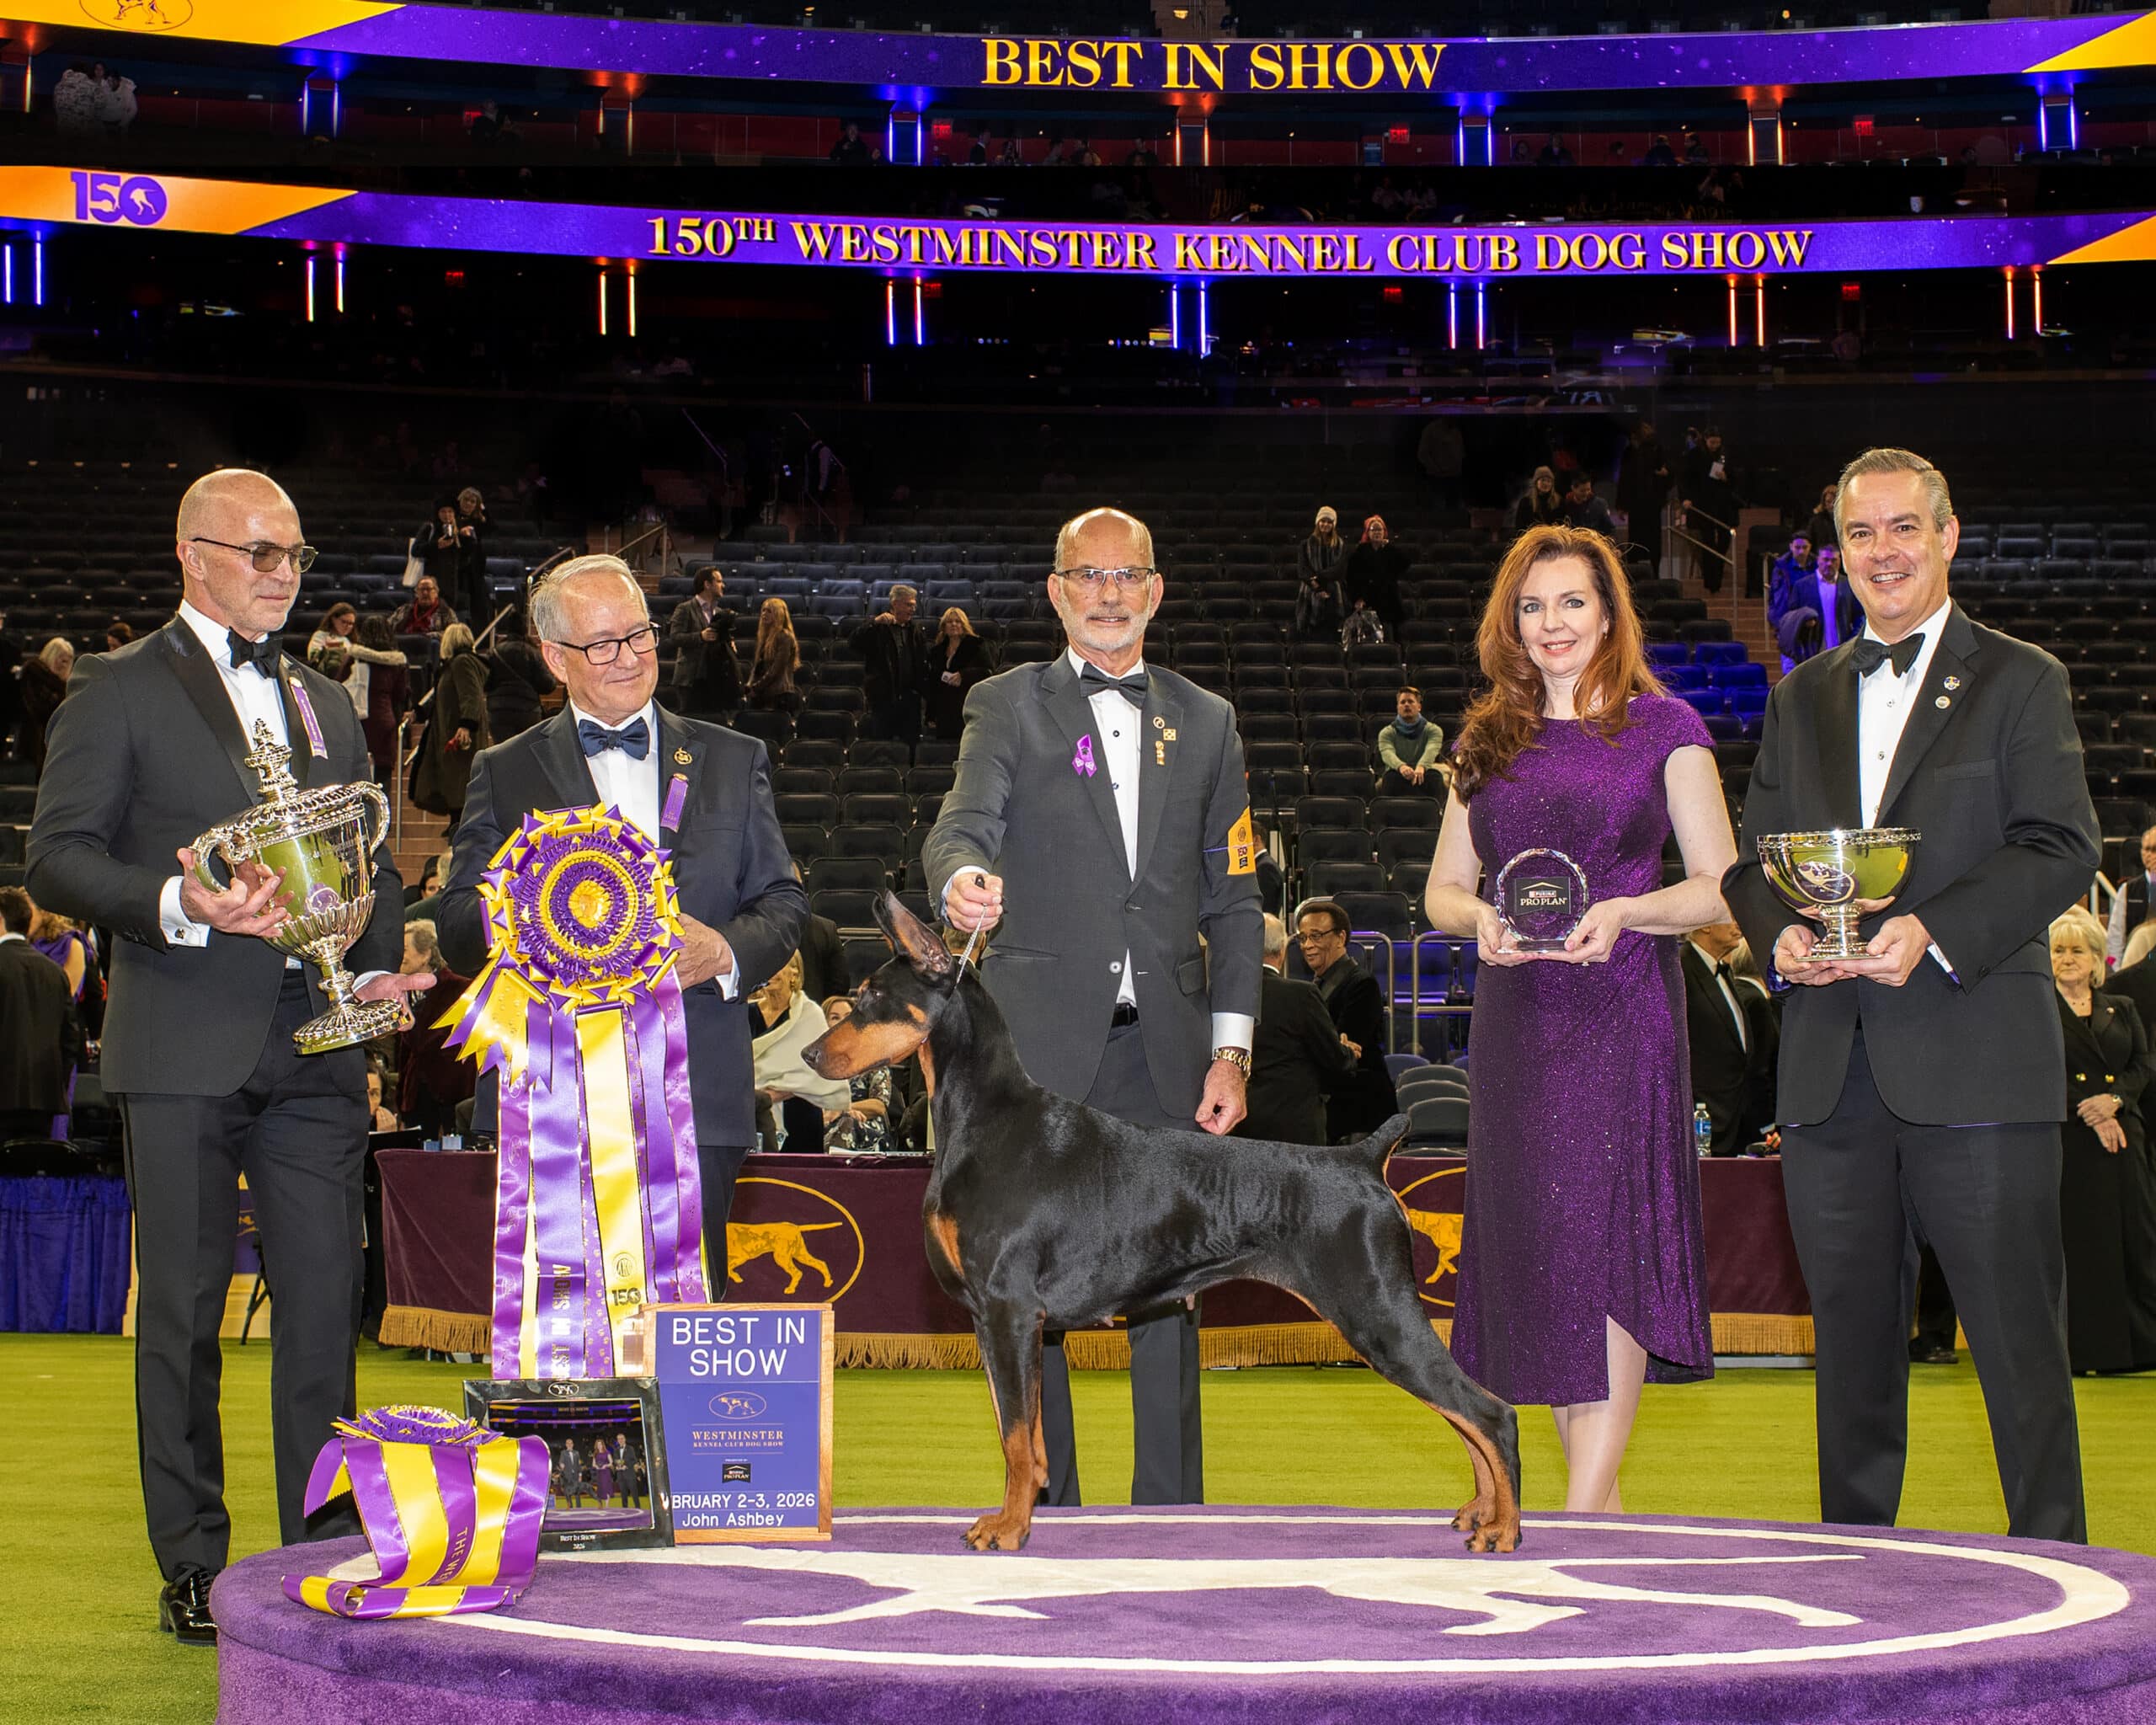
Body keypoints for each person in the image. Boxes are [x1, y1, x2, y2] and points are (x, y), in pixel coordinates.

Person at [24, 468, 430, 1646]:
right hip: (184, 1043)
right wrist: (184, 903)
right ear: (191, 554)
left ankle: (321, 1556)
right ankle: (195, 1565)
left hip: (319, 1055)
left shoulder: (324, 698)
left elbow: (371, 858)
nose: (280, 575)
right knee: (186, 1320)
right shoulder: (114, 691)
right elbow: (58, 861)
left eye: (293, 555)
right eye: (258, 553)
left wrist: (369, 941)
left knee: (320, 1317)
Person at [1722, 446, 2100, 1544]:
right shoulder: (1801, 697)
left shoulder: (2022, 680)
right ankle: (1857, 1585)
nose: (1881, 552)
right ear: (1837, 552)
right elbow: (1756, 861)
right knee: (1848, 1364)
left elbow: (2060, 846)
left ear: (1948, 536)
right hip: (1832, 1076)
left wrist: (1931, 933)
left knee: (2021, 1355)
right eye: (1859, 534)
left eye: (1902, 529)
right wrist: (1779, 939)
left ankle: (2064, 1595)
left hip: (1979, 1063)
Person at [926, 504, 1263, 1509]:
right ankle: (1050, 1505)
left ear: (1155, 591)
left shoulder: (1208, 721)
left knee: (1170, 1295)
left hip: (1166, 1054)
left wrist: (1231, 1054)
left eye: (1128, 577)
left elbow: (1236, 898)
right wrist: (960, 880)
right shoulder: (1003, 703)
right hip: (1031, 1064)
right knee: (1025, 1300)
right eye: (1089, 575)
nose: (1109, 593)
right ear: (1057, 591)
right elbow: (962, 825)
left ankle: (1170, 1513)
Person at [1423, 521, 1733, 1513]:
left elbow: (1718, 888)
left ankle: (1586, 1515)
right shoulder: (1482, 739)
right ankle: (1582, 1504)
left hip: (1623, 1010)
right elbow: (1443, 888)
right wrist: (1480, 922)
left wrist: (1630, 911)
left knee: (1606, 1244)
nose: (1551, 623)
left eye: (1571, 602)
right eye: (1531, 605)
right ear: (1508, 621)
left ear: (1608, 613)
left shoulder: (1668, 727)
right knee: (1543, 1254)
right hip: (1516, 1019)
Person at [439, 555, 807, 1251]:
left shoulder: (735, 757)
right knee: (557, 1336)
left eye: (639, 635)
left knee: (689, 1322)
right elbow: (457, 925)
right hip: (550, 1097)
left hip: (699, 1090)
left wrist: (723, 953)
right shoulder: (503, 769)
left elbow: (784, 901)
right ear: (554, 656)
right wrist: (528, 913)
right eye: (601, 643)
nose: (629, 658)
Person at [2047, 908, 2156, 1375]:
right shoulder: (2037, 1012)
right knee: (2081, 1245)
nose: (2068, 959)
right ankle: (2082, 1351)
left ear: (2097, 959)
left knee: (2135, 1237)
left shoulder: (2122, 1008)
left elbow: (2143, 1065)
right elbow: (2035, 1071)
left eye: (2078, 951)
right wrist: (2086, 1107)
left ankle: (2137, 1349)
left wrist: (2112, 1100)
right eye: (2058, 950)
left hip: (2123, 1138)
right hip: (2069, 1144)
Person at [1236, 914, 1358, 1146]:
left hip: (1238, 1124)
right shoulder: (1301, 995)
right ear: (1282, 950)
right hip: (1294, 1128)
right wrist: (1347, 1052)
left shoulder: (1220, 997)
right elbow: (1334, 1059)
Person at [1294, 899, 1398, 1140]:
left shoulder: (1362, 984)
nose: (1308, 945)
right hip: (1331, 1111)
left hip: (1361, 1113)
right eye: (1303, 938)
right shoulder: (1315, 986)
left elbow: (1347, 1049)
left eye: (1317, 936)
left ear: (1341, 938)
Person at [0, 887, 81, 1142]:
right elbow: (70, 1040)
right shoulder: (54, 972)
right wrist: (55, 1084)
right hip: (44, 1101)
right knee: (32, 1176)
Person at [749, 953, 848, 1153]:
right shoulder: (746, 1013)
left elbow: (819, 1072)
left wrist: (775, 1094)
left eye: (777, 965)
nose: (770, 972)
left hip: (799, 1114)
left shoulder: (810, 1016)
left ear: (794, 972)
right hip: (752, 1114)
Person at [1683, 918, 1764, 1157]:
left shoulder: (1722, 971)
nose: (1739, 924)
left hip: (1737, 1121)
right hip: (1704, 1121)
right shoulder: (1681, 967)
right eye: (1730, 918)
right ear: (1705, 925)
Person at [394, 920, 472, 1134]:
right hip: (416, 1097)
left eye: (404, 950)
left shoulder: (459, 987)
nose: (400, 956)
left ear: (426, 954)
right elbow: (405, 1051)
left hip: (452, 1094)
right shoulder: (400, 992)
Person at [410, 622, 489, 828]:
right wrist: (419, 711)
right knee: (455, 790)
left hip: (460, 738)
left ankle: (458, 833)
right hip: (453, 735)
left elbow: (470, 695)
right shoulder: (458, 664)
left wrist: (466, 725)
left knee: (459, 790)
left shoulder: (462, 663)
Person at [852, 584, 930, 748]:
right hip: (883, 699)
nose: (913, 609)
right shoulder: (877, 627)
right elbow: (854, 643)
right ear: (895, 604)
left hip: (910, 699)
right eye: (909, 604)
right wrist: (874, 623)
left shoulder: (915, 630)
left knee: (912, 745)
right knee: (883, 746)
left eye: (914, 605)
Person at [817, 994, 895, 1151]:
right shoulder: (815, 1064)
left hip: (865, 1126)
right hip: (824, 1124)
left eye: (848, 1016)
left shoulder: (873, 1060)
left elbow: (879, 1106)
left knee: (847, 1122)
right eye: (834, 1017)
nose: (843, 1022)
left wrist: (843, 1110)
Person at [667, 568, 740, 720]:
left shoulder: (719, 612)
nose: (723, 585)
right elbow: (675, 637)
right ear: (707, 584)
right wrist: (700, 636)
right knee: (689, 723)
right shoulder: (685, 608)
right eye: (719, 581)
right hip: (690, 679)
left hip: (713, 679)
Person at [483, 606, 555, 743]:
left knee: (501, 754)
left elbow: (486, 682)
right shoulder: (532, 652)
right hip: (528, 711)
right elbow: (548, 685)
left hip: (498, 711)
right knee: (527, 755)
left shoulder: (495, 652)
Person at [1679, 427, 1737, 594]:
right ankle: (1712, 580)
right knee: (1708, 541)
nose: (1715, 446)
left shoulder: (1724, 455)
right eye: (1712, 442)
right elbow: (1685, 479)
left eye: (1718, 443)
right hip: (1703, 503)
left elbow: (1734, 478)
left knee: (1724, 538)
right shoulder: (1695, 455)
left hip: (1723, 504)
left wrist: (1726, 478)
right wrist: (1686, 498)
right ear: (1705, 440)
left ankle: (1716, 571)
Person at [354, 614, 408, 783]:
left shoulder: (353, 656)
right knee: (382, 781)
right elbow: (401, 694)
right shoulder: (398, 662)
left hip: (359, 720)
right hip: (385, 720)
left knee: (355, 778)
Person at [1616, 421, 1673, 574]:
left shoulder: (1655, 449)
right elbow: (1624, 479)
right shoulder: (1633, 451)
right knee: (1639, 539)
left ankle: (1649, 572)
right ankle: (1639, 573)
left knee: (1649, 540)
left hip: (1649, 502)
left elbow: (1666, 473)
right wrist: (1622, 504)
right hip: (1641, 502)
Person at [926, 607, 990, 742]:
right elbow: (933, 683)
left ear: (964, 624)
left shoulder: (976, 645)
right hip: (944, 709)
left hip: (969, 706)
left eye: (958, 621)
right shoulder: (936, 651)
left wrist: (964, 675)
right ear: (944, 626)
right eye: (950, 622)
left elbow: (988, 672)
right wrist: (930, 714)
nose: (954, 624)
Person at [1342, 515, 1407, 639]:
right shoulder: (1360, 551)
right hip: (1367, 600)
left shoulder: (1389, 550)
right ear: (1368, 533)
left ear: (1384, 532)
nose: (1377, 533)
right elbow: (1351, 577)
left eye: (1380, 530)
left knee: (1390, 636)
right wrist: (1357, 598)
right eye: (1374, 530)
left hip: (1388, 600)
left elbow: (1404, 564)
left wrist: (1389, 547)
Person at [1377, 686, 1445, 796]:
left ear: (1419, 707)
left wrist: (1421, 766)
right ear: (1398, 707)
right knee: (1389, 778)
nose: (1406, 705)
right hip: (1397, 774)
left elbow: (1431, 750)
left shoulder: (1434, 730)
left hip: (1424, 773)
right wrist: (1401, 767)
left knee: (1435, 777)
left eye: (1411, 702)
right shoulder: (1386, 732)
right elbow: (1387, 753)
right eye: (1402, 702)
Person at [19, 638, 73, 774]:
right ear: (51, 655)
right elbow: (41, 709)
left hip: (58, 739)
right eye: (61, 659)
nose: (64, 664)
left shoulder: (65, 684)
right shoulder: (34, 672)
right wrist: (62, 686)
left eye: (67, 661)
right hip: (37, 738)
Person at [2105, 823, 2156, 964]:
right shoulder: (2128, 890)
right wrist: (2116, 970)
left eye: (2155, 849)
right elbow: (2115, 938)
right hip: (2134, 963)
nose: (2150, 855)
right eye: (2147, 849)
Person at [1295, 506, 1348, 639]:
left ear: (1333, 525)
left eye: (1329, 522)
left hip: (1333, 593)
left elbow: (1339, 570)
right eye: (1323, 521)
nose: (1325, 524)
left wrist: (1319, 578)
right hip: (1311, 591)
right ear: (1317, 522)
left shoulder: (1341, 545)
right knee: (1312, 633)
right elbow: (1303, 570)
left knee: (1330, 632)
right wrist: (1318, 588)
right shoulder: (1305, 545)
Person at [745, 596, 802, 714]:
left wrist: (755, 688)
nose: (764, 614)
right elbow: (758, 667)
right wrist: (750, 686)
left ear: (779, 615)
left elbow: (776, 669)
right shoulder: (765, 636)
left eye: (769, 611)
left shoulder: (784, 636)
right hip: (762, 693)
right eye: (763, 610)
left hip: (779, 696)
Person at [390, 575, 456, 639]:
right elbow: (388, 628)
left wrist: (429, 636)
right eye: (422, 589)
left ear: (436, 593)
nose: (425, 593)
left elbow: (454, 634)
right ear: (416, 593)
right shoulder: (404, 609)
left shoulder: (446, 612)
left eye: (428, 589)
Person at [1512, 467, 1565, 537]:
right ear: (1536, 482)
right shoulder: (1526, 502)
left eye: (1549, 481)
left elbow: (1563, 524)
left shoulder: (1559, 501)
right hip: (1532, 540)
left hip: (1554, 540)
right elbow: (1520, 527)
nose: (1546, 483)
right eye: (1543, 480)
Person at [1561, 473, 1616, 537]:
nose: (1586, 493)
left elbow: (1610, 529)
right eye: (1582, 491)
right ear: (1573, 488)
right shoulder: (1565, 505)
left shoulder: (1599, 504)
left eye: (1588, 489)